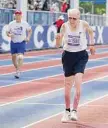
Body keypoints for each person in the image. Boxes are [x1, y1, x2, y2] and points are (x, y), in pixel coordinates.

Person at [55, 8, 95, 122]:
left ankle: (74, 111)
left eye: (74, 18)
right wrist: (57, 40)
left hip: (81, 56)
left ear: (79, 17)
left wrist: (92, 44)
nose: (72, 21)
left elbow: (91, 32)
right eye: (70, 18)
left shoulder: (84, 24)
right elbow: (57, 45)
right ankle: (67, 110)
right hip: (68, 56)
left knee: (78, 83)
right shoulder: (64, 26)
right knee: (67, 86)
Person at [6, 10, 32, 79]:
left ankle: (18, 70)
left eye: (19, 15)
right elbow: (7, 32)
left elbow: (29, 30)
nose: (17, 16)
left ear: (21, 16)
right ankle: (17, 68)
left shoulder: (24, 23)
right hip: (13, 42)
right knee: (13, 58)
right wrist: (9, 34)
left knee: (20, 57)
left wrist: (28, 37)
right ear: (15, 16)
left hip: (21, 42)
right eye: (16, 15)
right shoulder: (11, 23)